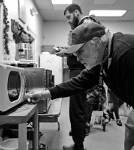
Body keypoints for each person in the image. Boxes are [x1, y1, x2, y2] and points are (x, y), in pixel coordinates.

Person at [27, 21, 134, 150]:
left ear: (95, 42)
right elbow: (81, 81)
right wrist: (45, 94)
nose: (78, 58)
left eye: (80, 51)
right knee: (131, 138)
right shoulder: (105, 56)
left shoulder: (129, 54)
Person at [54, 4, 102, 150]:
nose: (68, 20)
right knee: (78, 109)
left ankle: (78, 146)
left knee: (77, 110)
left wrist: (65, 52)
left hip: (80, 72)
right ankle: (78, 142)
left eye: (69, 17)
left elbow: (87, 49)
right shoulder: (82, 26)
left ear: (76, 12)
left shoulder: (86, 24)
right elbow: (80, 47)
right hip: (79, 71)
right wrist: (67, 50)